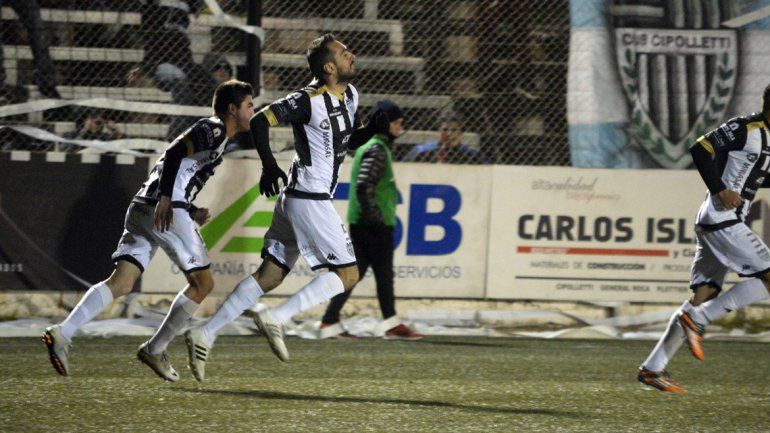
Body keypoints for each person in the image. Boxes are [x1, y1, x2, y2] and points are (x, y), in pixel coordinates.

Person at [183, 33, 390, 382]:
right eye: (343, 54)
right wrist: (268, 165)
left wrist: (369, 131)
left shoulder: (350, 95)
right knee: (347, 274)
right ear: (328, 67)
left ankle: (205, 332)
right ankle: (278, 317)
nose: (351, 56)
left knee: (271, 274)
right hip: (309, 198)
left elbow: (344, 140)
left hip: (298, 199)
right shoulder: (308, 99)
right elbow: (261, 120)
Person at [42, 80, 255, 381]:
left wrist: (191, 210)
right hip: (163, 207)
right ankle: (155, 349)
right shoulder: (215, 129)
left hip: (143, 207)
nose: (252, 111)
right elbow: (174, 152)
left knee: (122, 282)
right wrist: (169, 198)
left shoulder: (217, 136)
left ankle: (63, 332)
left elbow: (179, 168)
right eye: (249, 105)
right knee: (203, 283)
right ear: (233, 109)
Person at [637, 84, 770, 394]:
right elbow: (700, 148)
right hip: (721, 217)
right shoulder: (744, 127)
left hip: (720, 220)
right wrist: (719, 189)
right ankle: (699, 320)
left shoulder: (766, 137)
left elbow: (758, 175)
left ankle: (652, 369)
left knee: (703, 295)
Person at [319, 100, 423, 340]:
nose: (400, 127)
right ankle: (389, 323)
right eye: (397, 123)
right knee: (383, 275)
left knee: (358, 274)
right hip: (372, 225)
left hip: (364, 222)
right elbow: (365, 185)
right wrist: (377, 220)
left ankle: (330, 320)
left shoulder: (373, 146)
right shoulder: (377, 148)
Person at [401, 111, 488, 164]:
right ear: (439, 131)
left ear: (461, 134)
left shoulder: (472, 156)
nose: (449, 134)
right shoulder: (422, 151)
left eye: (454, 130)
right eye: (445, 129)